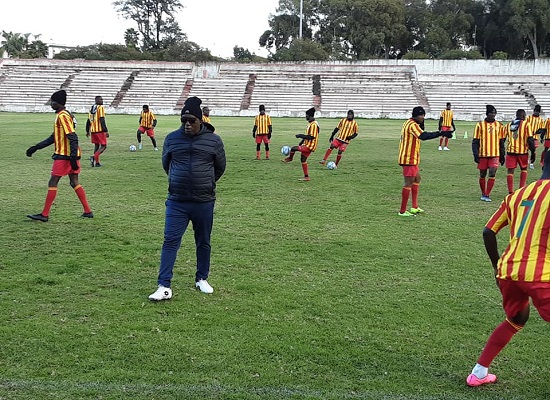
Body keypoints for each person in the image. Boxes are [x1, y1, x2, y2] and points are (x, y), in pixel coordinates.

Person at [466, 150, 550, 387]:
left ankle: (479, 372)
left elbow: (488, 231)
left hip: (509, 271)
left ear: (542, 161)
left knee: (516, 319)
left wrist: (496, 268)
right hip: (541, 274)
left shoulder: (516, 195)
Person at [149, 96, 226, 300]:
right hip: (177, 201)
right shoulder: (172, 139)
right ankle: (164, 285)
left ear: (201, 120)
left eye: (192, 120)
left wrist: (205, 182)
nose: (188, 124)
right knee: (170, 240)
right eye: (184, 121)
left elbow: (220, 168)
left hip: (204, 201)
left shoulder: (214, 140)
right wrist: (178, 181)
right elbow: (167, 165)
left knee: (203, 242)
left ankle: (202, 278)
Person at [25, 90, 93, 222]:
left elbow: (72, 136)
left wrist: (72, 157)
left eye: (53, 101)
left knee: (53, 182)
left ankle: (44, 215)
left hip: (65, 156)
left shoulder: (62, 116)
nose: (51, 103)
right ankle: (87, 211)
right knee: (74, 182)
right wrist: (36, 147)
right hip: (72, 155)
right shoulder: (67, 114)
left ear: (58, 103)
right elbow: (54, 137)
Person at [397, 106, 453, 217]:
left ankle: (414, 206)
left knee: (417, 178)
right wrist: (441, 133)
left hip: (412, 158)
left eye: (423, 115)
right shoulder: (412, 125)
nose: (422, 117)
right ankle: (402, 211)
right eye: (421, 115)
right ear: (415, 115)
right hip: (408, 158)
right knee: (408, 182)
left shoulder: (410, 123)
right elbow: (423, 136)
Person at [472, 105, 506, 202]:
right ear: (487, 114)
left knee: (492, 173)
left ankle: (487, 194)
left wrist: (502, 155)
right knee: (482, 174)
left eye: (494, 113)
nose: (493, 115)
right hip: (483, 154)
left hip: (495, 154)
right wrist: (475, 154)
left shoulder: (499, 126)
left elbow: (501, 142)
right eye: (491, 113)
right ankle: (483, 192)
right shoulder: (480, 125)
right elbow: (475, 141)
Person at [281, 107, 319, 181]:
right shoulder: (310, 123)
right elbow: (308, 134)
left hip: (310, 145)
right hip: (307, 144)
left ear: (310, 116)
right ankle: (306, 177)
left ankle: (290, 158)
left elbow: (311, 137)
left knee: (293, 148)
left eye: (306, 115)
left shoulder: (314, 125)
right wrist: (302, 141)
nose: (306, 117)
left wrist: (300, 136)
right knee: (303, 159)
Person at [503, 109, 535, 194]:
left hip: (511, 152)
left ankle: (510, 192)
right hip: (522, 152)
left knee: (510, 171)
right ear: (524, 116)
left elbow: (503, 139)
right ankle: (521, 191)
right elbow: (530, 140)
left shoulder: (509, 125)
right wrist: (533, 152)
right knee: (523, 169)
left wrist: (502, 152)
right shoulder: (526, 124)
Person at [85, 95, 109, 167]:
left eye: (102, 99)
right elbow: (102, 119)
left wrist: (87, 131)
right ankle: (93, 157)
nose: (102, 101)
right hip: (99, 130)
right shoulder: (100, 108)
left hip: (93, 131)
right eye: (100, 99)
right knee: (104, 146)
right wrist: (106, 130)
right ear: (96, 100)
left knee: (97, 145)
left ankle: (96, 163)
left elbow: (88, 121)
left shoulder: (92, 108)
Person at [525, 104, 545, 169]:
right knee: (526, 149)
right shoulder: (529, 118)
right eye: (535, 111)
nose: (536, 112)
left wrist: (538, 132)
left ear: (539, 112)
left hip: (535, 138)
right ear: (533, 111)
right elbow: (525, 126)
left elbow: (542, 129)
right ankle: (526, 160)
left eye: (537, 111)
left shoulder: (541, 120)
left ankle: (531, 163)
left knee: (533, 151)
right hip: (528, 137)